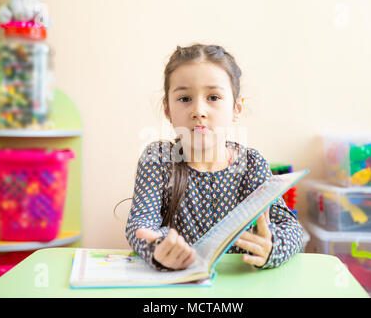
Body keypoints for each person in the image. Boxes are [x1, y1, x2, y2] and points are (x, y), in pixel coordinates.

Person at [125, 43, 304, 271]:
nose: (198, 110)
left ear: (236, 108)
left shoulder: (251, 164)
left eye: (213, 97)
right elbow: (140, 225)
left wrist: (272, 247)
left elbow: (291, 227)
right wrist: (159, 250)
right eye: (184, 99)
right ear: (167, 109)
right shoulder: (158, 159)